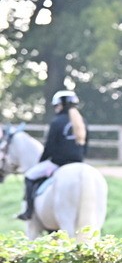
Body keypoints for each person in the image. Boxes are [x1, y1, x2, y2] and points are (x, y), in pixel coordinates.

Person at [16, 90, 87, 221]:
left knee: (29, 176)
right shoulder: (82, 122)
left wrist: (41, 162)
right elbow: (85, 146)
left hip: (58, 163)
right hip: (78, 163)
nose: (56, 108)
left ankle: (29, 211)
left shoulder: (56, 122)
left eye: (56, 106)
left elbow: (50, 147)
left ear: (61, 105)